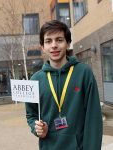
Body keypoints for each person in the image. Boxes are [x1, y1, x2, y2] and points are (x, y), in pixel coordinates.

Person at [25, 20, 102, 150]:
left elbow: (93, 119)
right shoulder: (35, 80)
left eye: (59, 40)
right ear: (42, 47)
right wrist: (36, 128)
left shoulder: (84, 73)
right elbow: (31, 115)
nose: (54, 45)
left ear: (68, 43)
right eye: (48, 41)